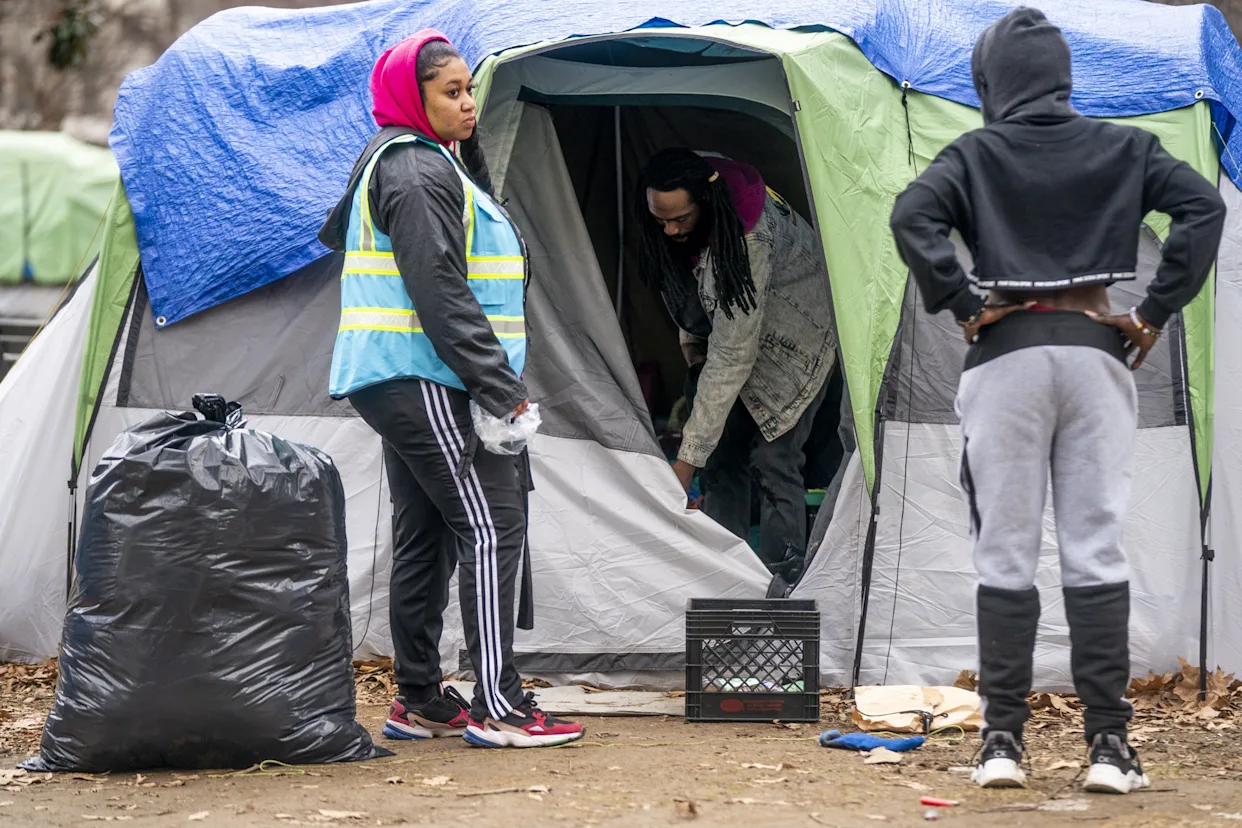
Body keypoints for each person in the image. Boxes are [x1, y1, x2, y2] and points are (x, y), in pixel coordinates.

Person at [890, 7, 1225, 794]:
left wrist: (963, 301)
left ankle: (1001, 745)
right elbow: (1202, 209)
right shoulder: (1124, 146)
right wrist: (1152, 313)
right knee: (1095, 549)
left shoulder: (974, 153)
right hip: (1094, 355)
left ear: (991, 83)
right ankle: (1109, 748)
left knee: (1004, 555)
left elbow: (912, 215)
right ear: (1063, 77)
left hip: (1006, 358)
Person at [318, 30, 584, 749]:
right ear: (414, 99)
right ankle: (501, 706)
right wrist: (499, 386)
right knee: (493, 524)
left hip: (403, 375)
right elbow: (439, 290)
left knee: (429, 532)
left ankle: (420, 700)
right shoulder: (414, 171)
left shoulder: (426, 163)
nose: (470, 104)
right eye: (452, 92)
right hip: (424, 374)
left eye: (470, 90)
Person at [637, 148, 838, 570]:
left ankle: (779, 579)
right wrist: (694, 352)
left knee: (773, 460)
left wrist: (685, 464)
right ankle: (723, 570)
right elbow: (697, 289)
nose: (670, 230)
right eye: (661, 220)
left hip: (795, 344)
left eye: (680, 219)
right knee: (721, 458)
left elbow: (733, 352)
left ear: (705, 202)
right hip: (730, 340)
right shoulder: (691, 189)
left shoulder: (748, 239)